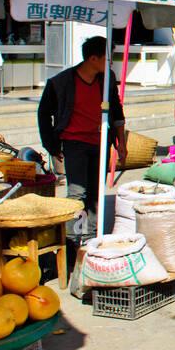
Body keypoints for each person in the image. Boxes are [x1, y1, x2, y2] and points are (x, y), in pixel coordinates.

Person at [38, 35, 126, 235]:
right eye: (107, 58)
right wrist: (51, 145)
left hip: (101, 142)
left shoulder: (108, 78)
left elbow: (116, 111)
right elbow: (43, 114)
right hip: (74, 143)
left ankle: (91, 235)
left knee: (96, 194)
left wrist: (121, 143)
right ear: (93, 59)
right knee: (77, 193)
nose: (111, 63)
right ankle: (74, 237)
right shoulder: (60, 83)